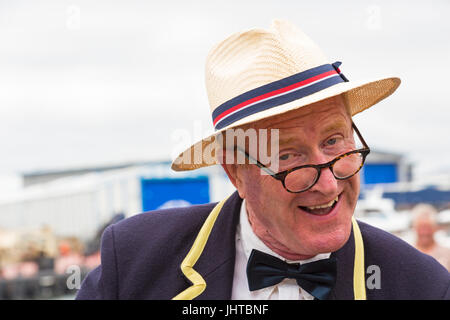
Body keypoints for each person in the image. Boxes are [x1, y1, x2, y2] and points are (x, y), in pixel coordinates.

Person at [76, 20, 449, 300]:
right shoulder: (134, 263)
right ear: (234, 171)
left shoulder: (422, 286)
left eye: (335, 141)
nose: (329, 183)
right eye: (289, 155)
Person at [412, 203, 450, 271]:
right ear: (414, 228)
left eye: (428, 228)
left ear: (435, 228)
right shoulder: (408, 253)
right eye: (421, 228)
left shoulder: (447, 254)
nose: (424, 233)